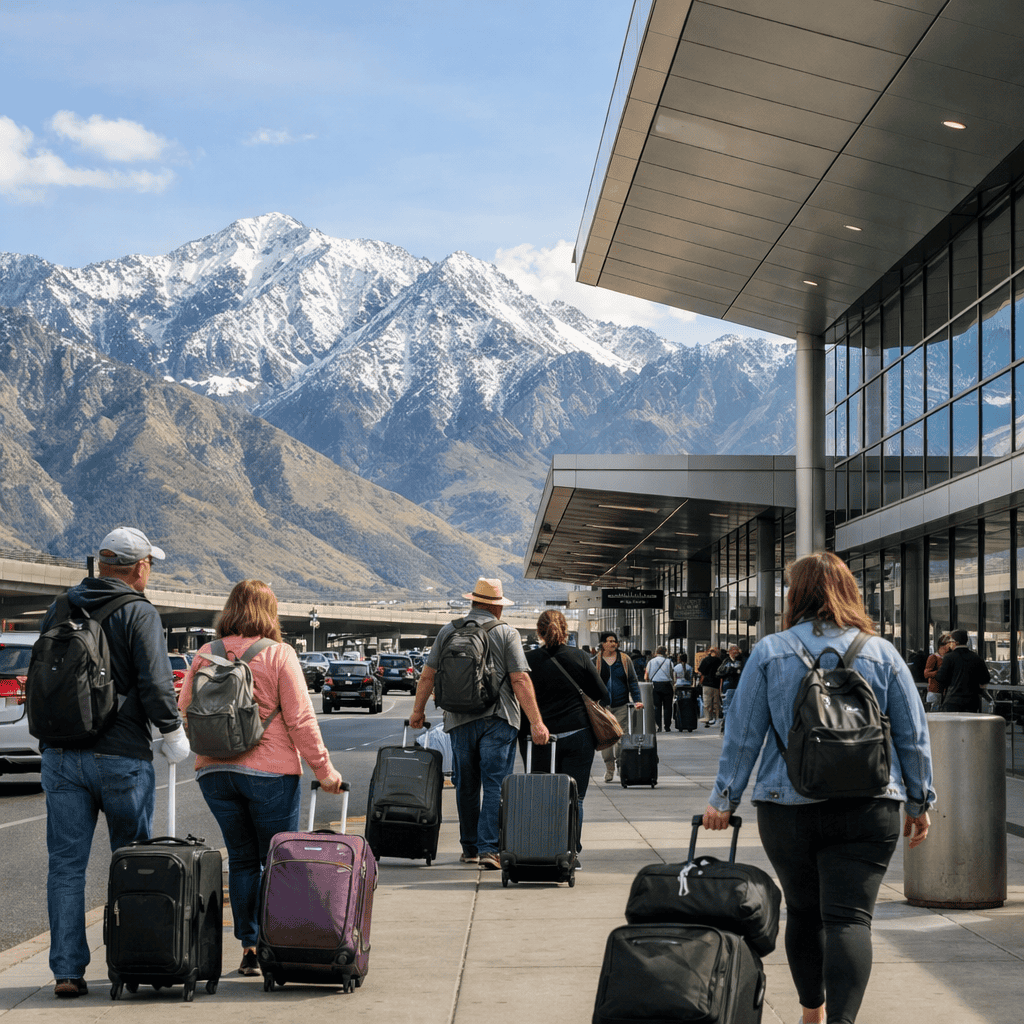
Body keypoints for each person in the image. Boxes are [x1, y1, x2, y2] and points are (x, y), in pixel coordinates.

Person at [703, 552, 934, 1024]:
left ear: (796, 595)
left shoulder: (770, 650)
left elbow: (743, 734)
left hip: (789, 807)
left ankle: (812, 1012)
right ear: (849, 591)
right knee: (851, 919)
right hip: (871, 804)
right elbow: (913, 734)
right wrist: (919, 799)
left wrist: (723, 800)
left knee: (805, 912)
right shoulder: (881, 651)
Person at [39, 527, 191, 999]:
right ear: (139, 567)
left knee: (66, 867)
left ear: (103, 564)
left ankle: (66, 970)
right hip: (121, 757)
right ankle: (133, 959)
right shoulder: (138, 611)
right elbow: (156, 683)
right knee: (133, 862)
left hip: (61, 755)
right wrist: (173, 733)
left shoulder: (61, 606)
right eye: (150, 564)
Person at [178, 580, 344, 977]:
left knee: (241, 859)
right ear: (270, 612)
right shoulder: (278, 654)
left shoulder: (205, 653)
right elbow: (301, 721)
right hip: (270, 774)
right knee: (277, 860)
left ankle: (249, 946)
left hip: (214, 772)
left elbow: (185, 710)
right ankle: (277, 943)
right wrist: (325, 771)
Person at [411, 577, 549, 871]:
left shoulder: (448, 630)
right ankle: (490, 849)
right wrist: (536, 723)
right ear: (496, 607)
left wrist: (417, 712)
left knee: (466, 784)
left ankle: (470, 848)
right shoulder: (506, 633)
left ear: (473, 602)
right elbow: (520, 679)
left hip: (458, 719)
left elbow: (428, 675)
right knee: (495, 783)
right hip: (498, 718)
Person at [522, 610, 609, 860]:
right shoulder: (580, 657)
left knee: (541, 796)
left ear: (539, 631)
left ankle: (542, 850)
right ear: (566, 630)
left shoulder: (528, 661)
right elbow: (603, 694)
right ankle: (571, 853)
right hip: (578, 735)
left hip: (541, 738)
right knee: (575, 797)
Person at [594, 632, 643, 782]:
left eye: (614, 641)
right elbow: (589, 683)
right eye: (609, 641)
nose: (613, 644)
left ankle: (622, 765)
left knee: (622, 737)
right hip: (603, 707)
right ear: (602, 644)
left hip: (621, 705)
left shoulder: (624, 659)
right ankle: (609, 768)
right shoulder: (595, 661)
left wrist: (637, 700)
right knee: (606, 739)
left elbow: (633, 681)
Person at [935, 629, 990, 712]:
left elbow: (941, 677)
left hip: (953, 701)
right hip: (971, 702)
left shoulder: (949, 657)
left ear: (956, 642)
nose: (949, 643)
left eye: (951, 641)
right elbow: (986, 678)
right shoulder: (976, 658)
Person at [645, 645, 675, 732]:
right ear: (665, 652)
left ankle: (658, 726)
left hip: (655, 686)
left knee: (657, 707)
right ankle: (667, 726)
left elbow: (646, 676)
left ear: (656, 652)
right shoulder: (669, 662)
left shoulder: (650, 662)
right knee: (668, 707)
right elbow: (673, 676)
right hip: (667, 685)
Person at [716, 644, 745, 731]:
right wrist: (728, 671)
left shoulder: (741, 661)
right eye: (733, 651)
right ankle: (726, 725)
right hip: (728, 687)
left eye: (736, 651)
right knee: (727, 707)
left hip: (739, 686)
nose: (734, 653)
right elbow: (718, 673)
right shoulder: (726, 662)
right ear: (729, 652)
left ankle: (736, 725)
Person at [923, 633, 953, 710]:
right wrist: (939, 672)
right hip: (935, 691)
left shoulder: (948, 657)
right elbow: (926, 673)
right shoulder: (934, 657)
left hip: (945, 693)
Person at [698, 646, 723, 726]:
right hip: (716, 683)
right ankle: (716, 718)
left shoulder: (705, 660)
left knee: (707, 701)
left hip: (707, 684)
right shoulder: (719, 661)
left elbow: (701, 672)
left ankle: (708, 717)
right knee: (716, 702)